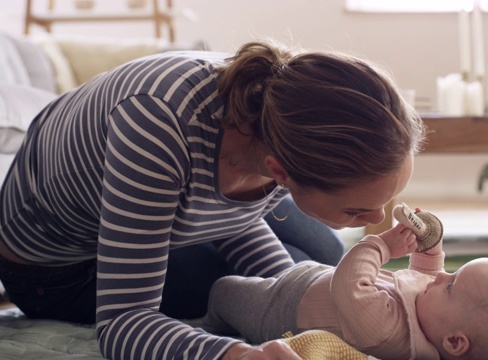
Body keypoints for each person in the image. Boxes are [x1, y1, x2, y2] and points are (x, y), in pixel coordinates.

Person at [0, 38, 426, 360]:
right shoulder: (158, 128)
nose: (376, 218)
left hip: (159, 208)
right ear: (280, 171)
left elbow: (229, 216)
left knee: (321, 252)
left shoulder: (274, 109)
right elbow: (122, 325)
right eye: (356, 209)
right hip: (58, 269)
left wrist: (299, 296)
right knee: (256, 286)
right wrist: (239, 354)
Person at [204, 210, 488, 360]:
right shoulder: (434, 318)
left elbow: (348, 282)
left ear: (454, 342)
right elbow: (424, 276)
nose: (443, 276)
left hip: (277, 307)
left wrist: (382, 246)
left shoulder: (388, 333)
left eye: (452, 284)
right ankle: (227, 218)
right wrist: (430, 249)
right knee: (259, 247)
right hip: (304, 278)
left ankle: (210, 326)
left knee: (226, 290)